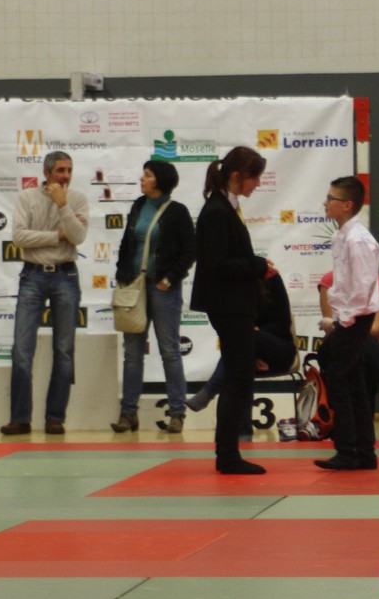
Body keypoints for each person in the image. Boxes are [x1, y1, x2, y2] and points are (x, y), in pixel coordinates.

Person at [191, 146, 271, 475]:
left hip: (234, 304)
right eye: (254, 177)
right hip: (228, 305)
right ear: (237, 176)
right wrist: (257, 265)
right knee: (238, 379)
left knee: (239, 377)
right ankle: (227, 455)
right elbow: (217, 265)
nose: (258, 184)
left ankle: (228, 452)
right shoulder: (217, 211)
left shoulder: (226, 207)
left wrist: (256, 267)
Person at [1, 151, 89, 436]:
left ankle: (55, 418)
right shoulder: (27, 197)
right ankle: (20, 419)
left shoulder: (77, 199)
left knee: (64, 351)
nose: (66, 176)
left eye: (69, 170)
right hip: (33, 275)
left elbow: (78, 237)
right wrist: (57, 236)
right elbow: (20, 237)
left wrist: (63, 205)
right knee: (21, 350)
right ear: (47, 172)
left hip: (66, 275)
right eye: (60, 170)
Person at [110, 159, 195, 434]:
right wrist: (122, 273)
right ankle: (128, 414)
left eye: (147, 175)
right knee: (132, 353)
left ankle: (177, 413)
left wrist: (169, 278)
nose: (142, 179)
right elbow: (127, 243)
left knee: (170, 351)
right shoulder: (138, 205)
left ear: (159, 180)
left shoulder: (178, 212)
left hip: (163, 290)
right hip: (134, 287)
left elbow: (190, 251)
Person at [315, 175, 379, 470]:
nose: (325, 203)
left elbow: (363, 285)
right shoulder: (341, 236)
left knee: (339, 380)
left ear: (347, 205)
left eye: (331, 198)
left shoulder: (358, 239)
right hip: (349, 316)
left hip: (357, 317)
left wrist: (344, 320)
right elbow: (344, 283)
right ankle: (363, 452)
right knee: (353, 381)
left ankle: (348, 451)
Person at [184, 270, 298, 432]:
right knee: (239, 361)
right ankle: (241, 430)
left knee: (243, 338)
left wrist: (257, 333)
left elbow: (283, 323)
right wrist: (254, 352)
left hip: (280, 350)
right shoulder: (233, 287)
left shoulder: (271, 276)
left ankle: (210, 390)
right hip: (249, 352)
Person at [318, 270, 379, 409]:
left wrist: (341, 325)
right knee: (361, 348)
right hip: (337, 346)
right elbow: (331, 327)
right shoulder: (330, 279)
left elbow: (376, 329)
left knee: (363, 357)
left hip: (366, 350)